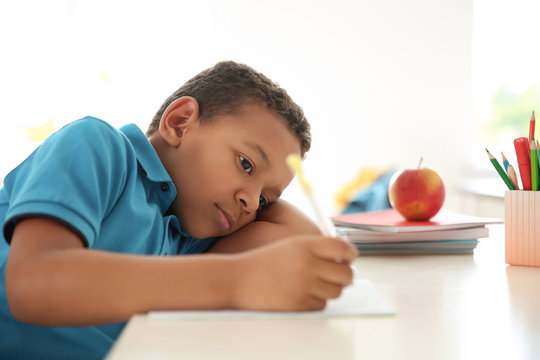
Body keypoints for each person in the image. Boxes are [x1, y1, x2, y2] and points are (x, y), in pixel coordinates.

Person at [0, 61, 357, 359]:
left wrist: (262, 194)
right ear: (180, 122)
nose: (251, 203)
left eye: (265, 200)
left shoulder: (190, 241)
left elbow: (301, 243)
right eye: (246, 164)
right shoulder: (99, 147)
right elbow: (33, 283)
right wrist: (235, 279)